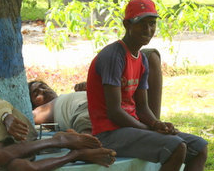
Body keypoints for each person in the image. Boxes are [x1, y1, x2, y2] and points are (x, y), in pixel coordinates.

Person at [86, 0, 214, 171]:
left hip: (131, 128)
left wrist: (157, 124)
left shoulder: (142, 60)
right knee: (176, 147)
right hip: (109, 133)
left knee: (199, 147)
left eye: (152, 24)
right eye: (142, 24)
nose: (148, 30)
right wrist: (148, 130)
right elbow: (115, 111)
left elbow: (143, 107)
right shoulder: (113, 55)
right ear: (127, 24)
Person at [29, 48, 164, 134]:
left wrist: (93, 86)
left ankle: (154, 123)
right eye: (36, 93)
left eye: (44, 86)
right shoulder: (44, 110)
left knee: (150, 55)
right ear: (34, 104)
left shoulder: (70, 95)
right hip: (88, 114)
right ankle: (150, 130)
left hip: (123, 107)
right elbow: (27, 118)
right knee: (89, 129)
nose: (43, 91)